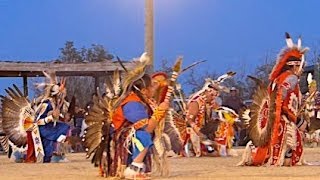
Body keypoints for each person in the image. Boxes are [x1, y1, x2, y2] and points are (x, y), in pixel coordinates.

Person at [238, 33, 309, 166]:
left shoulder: (278, 78)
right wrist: (297, 120)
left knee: (275, 147)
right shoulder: (291, 78)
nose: (302, 69)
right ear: (295, 66)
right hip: (283, 119)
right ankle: (277, 157)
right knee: (293, 150)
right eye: (301, 66)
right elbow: (281, 96)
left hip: (274, 119)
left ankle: (255, 153)